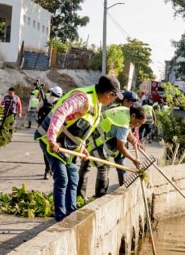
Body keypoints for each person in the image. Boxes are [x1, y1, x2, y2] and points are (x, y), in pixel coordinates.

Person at [35, 75, 123, 221]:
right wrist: (51, 139)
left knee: (73, 177)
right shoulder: (83, 98)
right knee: (62, 178)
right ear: (110, 94)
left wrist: (82, 147)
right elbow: (60, 112)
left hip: (67, 146)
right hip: (51, 140)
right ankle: (61, 216)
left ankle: (71, 212)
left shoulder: (97, 103)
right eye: (114, 97)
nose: (113, 100)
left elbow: (81, 128)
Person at [78, 105, 146, 199]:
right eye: (138, 123)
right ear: (133, 116)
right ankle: (99, 196)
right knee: (104, 167)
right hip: (95, 141)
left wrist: (133, 139)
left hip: (89, 135)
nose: (138, 125)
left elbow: (127, 127)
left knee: (85, 167)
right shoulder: (124, 123)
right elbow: (121, 147)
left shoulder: (125, 111)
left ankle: (78, 197)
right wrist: (133, 159)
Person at [37, 86, 62, 179]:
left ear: (51, 92)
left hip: (42, 130)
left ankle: (47, 170)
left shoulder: (43, 102)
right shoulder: (60, 103)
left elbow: (37, 111)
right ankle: (53, 169)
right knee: (54, 151)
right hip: (55, 131)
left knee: (45, 151)